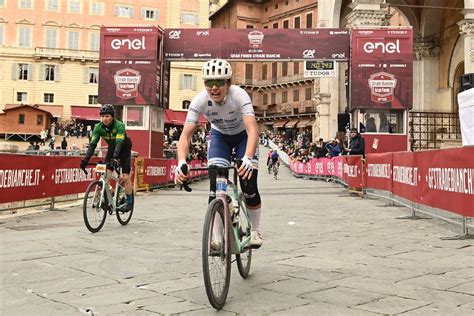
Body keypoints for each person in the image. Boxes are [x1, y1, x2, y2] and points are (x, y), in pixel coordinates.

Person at [175, 59, 263, 248]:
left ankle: (255, 231)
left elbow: (252, 130)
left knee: (249, 185)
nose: (214, 88)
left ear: (228, 83)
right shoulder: (199, 100)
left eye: (219, 83)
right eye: (209, 83)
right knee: (215, 190)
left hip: (242, 138)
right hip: (220, 137)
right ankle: (216, 238)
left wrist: (247, 158)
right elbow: (185, 136)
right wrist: (181, 161)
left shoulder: (239, 95)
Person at [80, 104, 134, 212]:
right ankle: (110, 192)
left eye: (107, 116)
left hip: (123, 149)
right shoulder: (98, 127)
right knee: (106, 175)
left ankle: (129, 201)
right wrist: (86, 160)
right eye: (102, 116)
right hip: (112, 149)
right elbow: (92, 145)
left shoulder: (119, 125)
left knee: (126, 177)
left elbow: (119, 143)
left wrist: (115, 158)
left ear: (112, 117)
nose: (104, 119)